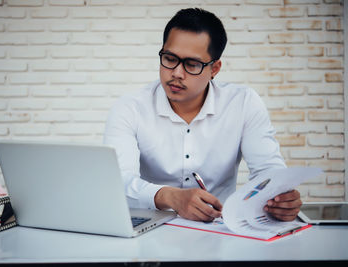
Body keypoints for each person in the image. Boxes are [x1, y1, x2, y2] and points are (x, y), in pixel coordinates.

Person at [104, 8, 302, 222]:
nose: (177, 73)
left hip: (220, 229)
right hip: (150, 228)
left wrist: (279, 196)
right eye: (170, 58)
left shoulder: (243, 103)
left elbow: (267, 170)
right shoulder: (130, 107)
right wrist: (171, 197)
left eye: (192, 64)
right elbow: (118, 181)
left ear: (215, 68)